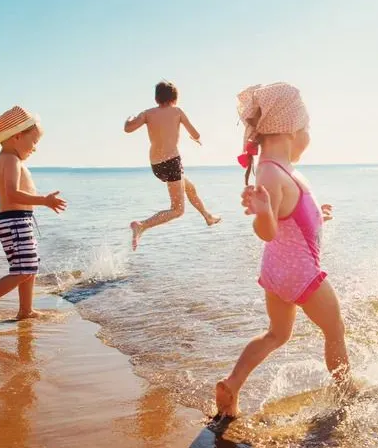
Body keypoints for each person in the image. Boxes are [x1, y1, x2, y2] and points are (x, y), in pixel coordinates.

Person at [212, 83, 347, 427]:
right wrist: (261, 212)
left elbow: (290, 214)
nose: (309, 135)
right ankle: (347, 395)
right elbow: (268, 230)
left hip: (276, 273)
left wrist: (318, 214)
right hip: (300, 273)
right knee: (335, 331)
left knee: (277, 334)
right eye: (307, 128)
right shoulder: (271, 171)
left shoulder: (280, 169)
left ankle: (232, 385)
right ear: (290, 129)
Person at [0, 106, 67, 325]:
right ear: (17, 136)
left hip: (13, 220)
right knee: (24, 268)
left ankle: (26, 310)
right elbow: (13, 192)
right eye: (34, 142)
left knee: (29, 266)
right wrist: (44, 200)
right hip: (14, 220)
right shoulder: (12, 161)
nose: (35, 148)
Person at [124, 80, 221, 251]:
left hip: (156, 166)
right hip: (172, 162)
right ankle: (142, 225)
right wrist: (195, 138)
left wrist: (130, 118)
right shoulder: (177, 111)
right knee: (177, 210)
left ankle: (207, 216)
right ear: (175, 98)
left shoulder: (147, 113)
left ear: (156, 98)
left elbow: (128, 128)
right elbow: (196, 133)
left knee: (189, 186)